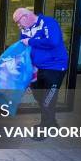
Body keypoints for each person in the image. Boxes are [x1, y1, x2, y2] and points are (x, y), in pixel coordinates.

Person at [13, 8, 69, 139]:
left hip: (55, 67)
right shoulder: (25, 30)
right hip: (37, 68)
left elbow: (53, 42)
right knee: (39, 96)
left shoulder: (48, 22)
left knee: (48, 99)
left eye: (18, 22)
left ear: (26, 16)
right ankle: (52, 123)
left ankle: (45, 128)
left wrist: (31, 41)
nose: (18, 25)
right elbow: (24, 50)